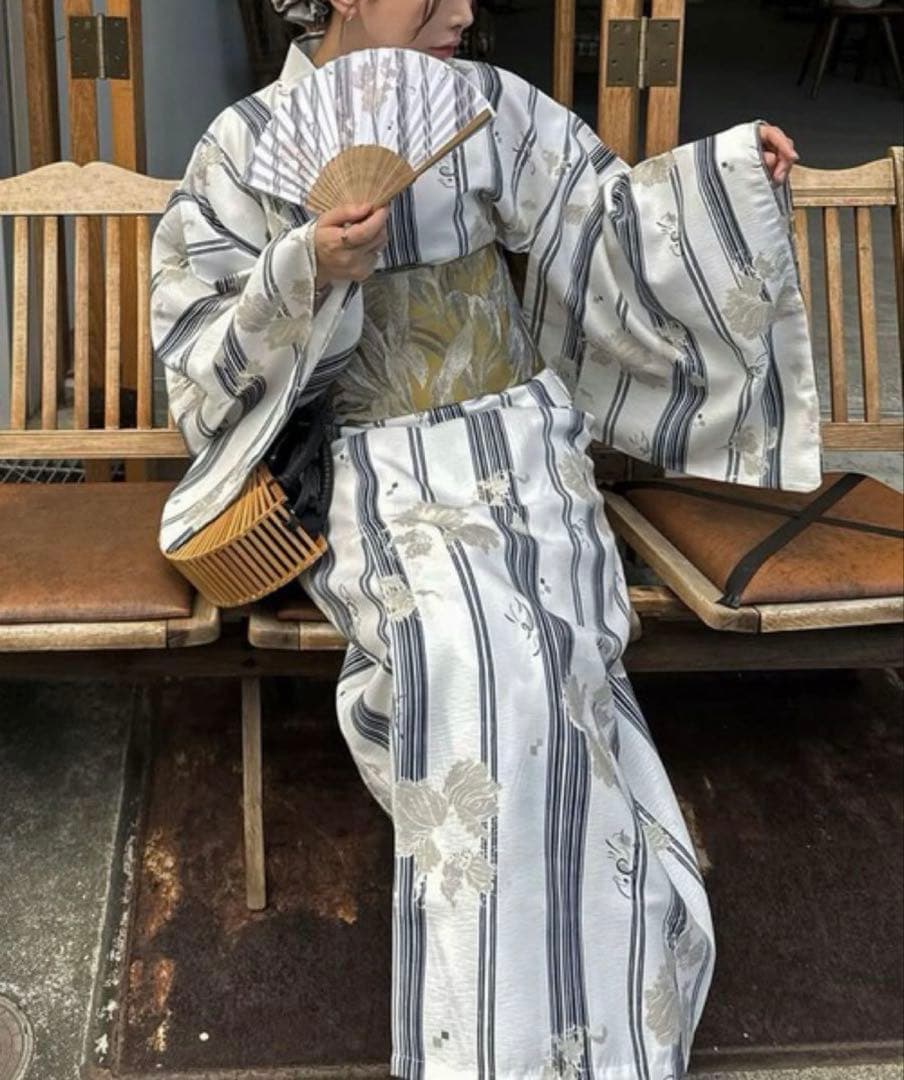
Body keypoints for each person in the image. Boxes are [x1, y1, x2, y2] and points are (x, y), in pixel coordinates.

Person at [150, 2, 818, 1076]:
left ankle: (596, 991)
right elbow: (195, 358)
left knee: (549, 648)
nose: (464, 10)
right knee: (463, 656)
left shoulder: (491, 105)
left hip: (518, 448)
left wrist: (726, 182)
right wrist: (302, 271)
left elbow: (602, 222)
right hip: (373, 471)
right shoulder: (243, 144)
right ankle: (500, 1033)